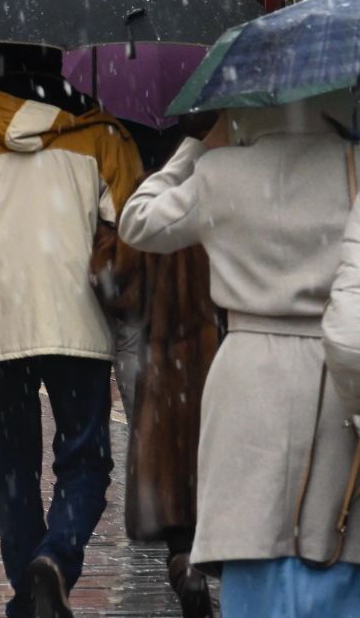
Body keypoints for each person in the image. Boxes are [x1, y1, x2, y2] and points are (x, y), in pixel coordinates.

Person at [0, 43, 143, 618]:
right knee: (85, 460)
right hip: (77, 319)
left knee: (9, 469)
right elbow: (136, 230)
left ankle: (27, 590)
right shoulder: (101, 132)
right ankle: (56, 558)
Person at [119, 94, 360, 615]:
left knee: (251, 537)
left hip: (248, 369)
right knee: (334, 540)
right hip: (333, 371)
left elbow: (138, 222)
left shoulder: (220, 173)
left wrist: (195, 149)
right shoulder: (354, 170)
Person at [93, 121, 220, 618]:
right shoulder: (220, 181)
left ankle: (183, 557)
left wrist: (102, 245)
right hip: (219, 351)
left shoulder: (145, 199)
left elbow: (117, 281)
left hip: (163, 364)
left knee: (172, 471)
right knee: (219, 464)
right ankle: (221, 556)